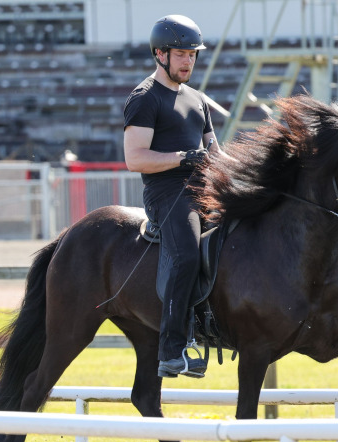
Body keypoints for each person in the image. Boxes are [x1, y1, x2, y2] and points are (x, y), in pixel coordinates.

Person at [123, 14, 223, 378]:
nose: (188, 62)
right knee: (185, 254)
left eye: (193, 55)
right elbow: (134, 158)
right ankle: (172, 349)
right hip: (168, 195)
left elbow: (215, 151)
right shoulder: (144, 98)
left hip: (205, 189)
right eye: (181, 54)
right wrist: (183, 157)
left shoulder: (198, 100)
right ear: (160, 54)